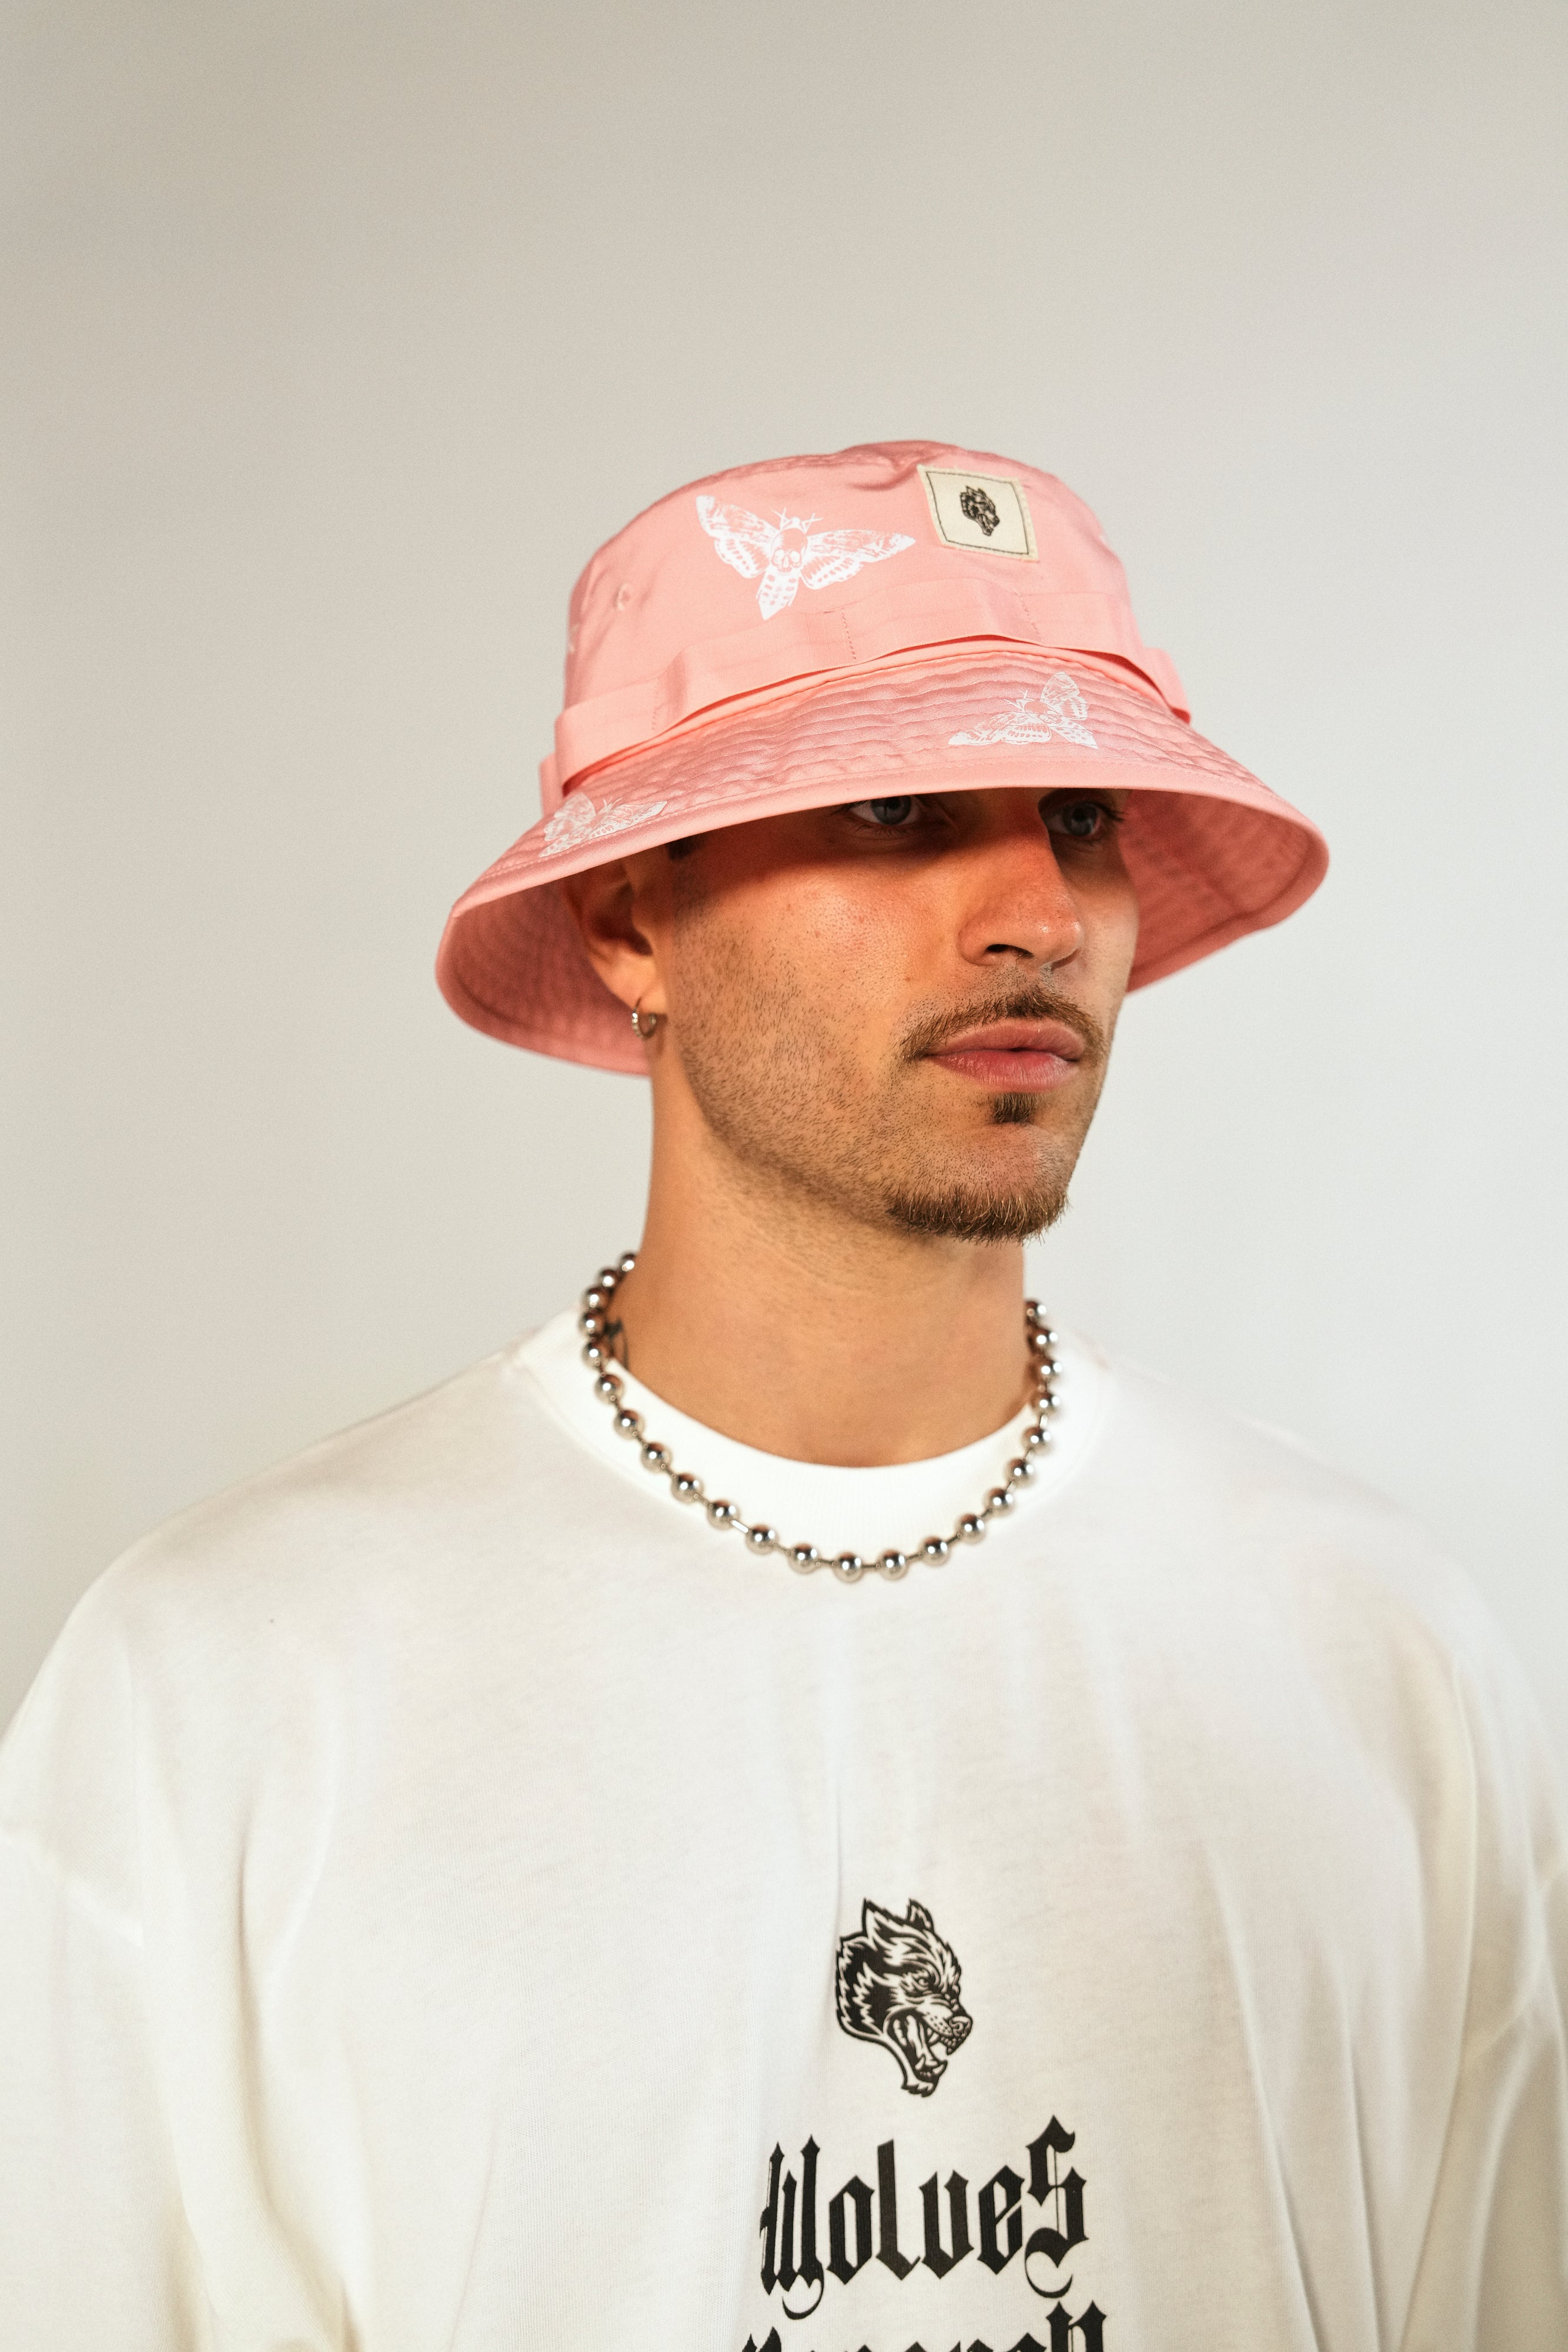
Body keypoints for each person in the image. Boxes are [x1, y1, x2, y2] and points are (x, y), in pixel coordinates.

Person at [2, 441, 1563, 2352]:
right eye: (896, 808)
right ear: (628, 920)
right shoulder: (234, 1685)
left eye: (1080, 816)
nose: (1039, 912)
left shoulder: (1366, 1643)